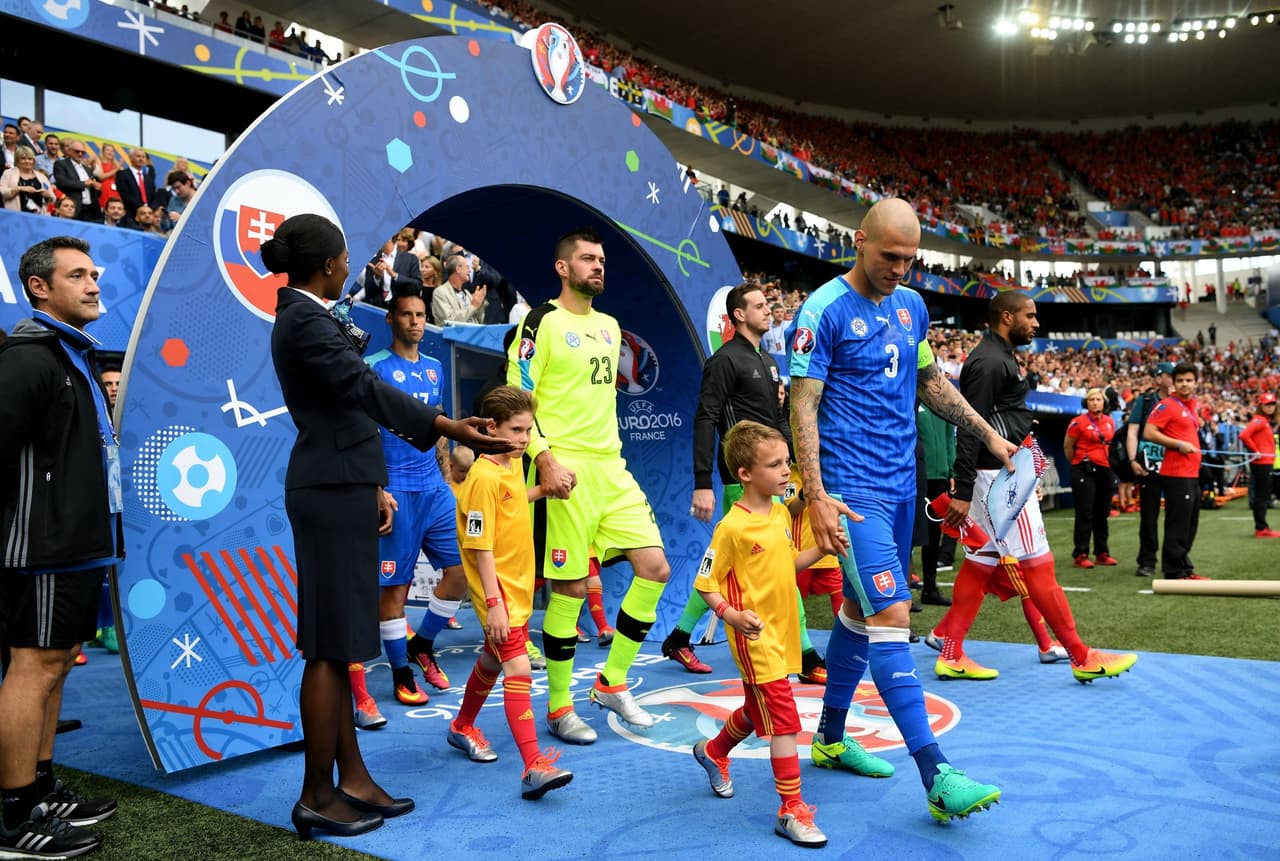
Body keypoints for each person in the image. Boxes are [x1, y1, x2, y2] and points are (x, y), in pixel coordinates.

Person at [266, 214, 513, 840]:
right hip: (328, 489)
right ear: (328, 265)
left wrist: (374, 480)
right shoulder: (303, 319)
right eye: (346, 257)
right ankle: (317, 796)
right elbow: (363, 389)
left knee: (343, 643)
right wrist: (450, 427)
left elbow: (351, 404)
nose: (351, 266)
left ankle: (351, 778)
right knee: (328, 650)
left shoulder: (310, 314)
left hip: (346, 484)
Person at [789, 198, 1007, 821]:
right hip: (851, 495)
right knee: (891, 610)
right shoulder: (823, 310)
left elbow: (930, 383)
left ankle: (830, 737)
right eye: (890, 257)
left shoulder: (911, 306)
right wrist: (817, 494)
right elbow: (803, 405)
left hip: (901, 488)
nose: (900, 270)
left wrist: (988, 436)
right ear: (859, 241)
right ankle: (936, 775)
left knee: (859, 612)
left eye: (910, 260)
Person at [507, 228, 671, 743]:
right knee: (571, 589)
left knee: (655, 567)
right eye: (586, 259)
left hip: (612, 468)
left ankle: (611, 682)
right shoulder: (541, 322)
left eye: (601, 260)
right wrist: (544, 458)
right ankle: (558, 708)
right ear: (562, 267)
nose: (598, 266)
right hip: (567, 467)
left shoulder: (610, 325)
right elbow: (517, 398)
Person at [929, 292, 1137, 683]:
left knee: (981, 562)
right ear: (1007, 316)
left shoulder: (995, 356)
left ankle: (952, 651)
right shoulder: (990, 361)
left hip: (995, 475)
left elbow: (986, 420)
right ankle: (1081, 655)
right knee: (1038, 564)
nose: (1037, 323)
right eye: (1031, 315)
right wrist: (964, 487)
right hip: (1001, 478)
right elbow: (970, 424)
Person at [0, 236, 120, 859]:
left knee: (57, 660)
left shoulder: (69, 353)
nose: (95, 283)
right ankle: (13, 816)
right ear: (40, 288)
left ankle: (40, 789)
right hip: (42, 544)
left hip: (75, 541)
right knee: (34, 665)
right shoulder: (29, 357)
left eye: (94, 273)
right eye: (78, 275)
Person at [689, 421, 850, 848]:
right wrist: (732, 615)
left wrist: (825, 548)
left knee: (756, 709)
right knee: (783, 719)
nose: (785, 472)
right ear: (745, 474)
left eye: (786, 463)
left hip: (782, 633)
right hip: (754, 637)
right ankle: (790, 809)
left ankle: (713, 751)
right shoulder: (731, 528)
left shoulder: (780, 511)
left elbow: (790, 563)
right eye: (775, 465)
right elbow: (705, 582)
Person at [664, 282, 824, 682]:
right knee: (757, 565)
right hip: (742, 478)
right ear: (738, 314)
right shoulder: (724, 360)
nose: (767, 310)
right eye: (757, 305)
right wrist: (704, 481)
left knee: (764, 562)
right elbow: (705, 418)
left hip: (772, 475)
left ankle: (680, 637)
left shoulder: (767, 360)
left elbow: (775, 423)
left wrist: (797, 464)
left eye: (767, 303)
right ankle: (805, 657)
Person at [446, 385, 573, 799]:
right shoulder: (482, 476)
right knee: (517, 670)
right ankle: (533, 766)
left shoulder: (511, 464)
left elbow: (514, 501)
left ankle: (462, 726)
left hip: (514, 591)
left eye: (527, 430)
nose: (523, 439)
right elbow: (479, 544)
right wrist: (494, 604)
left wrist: (546, 490)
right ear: (492, 428)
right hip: (497, 593)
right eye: (516, 430)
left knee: (491, 659)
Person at [357, 289, 471, 721]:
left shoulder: (435, 367)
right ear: (391, 320)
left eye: (421, 315)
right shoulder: (373, 368)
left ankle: (421, 645)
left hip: (434, 488)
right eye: (406, 315)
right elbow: (363, 432)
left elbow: (437, 423)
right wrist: (376, 487)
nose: (415, 322)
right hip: (395, 491)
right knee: (396, 590)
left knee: (460, 575)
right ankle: (401, 673)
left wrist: (444, 476)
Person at [1143, 363, 1209, 580]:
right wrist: (1178, 445)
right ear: (1173, 382)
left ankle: (1184, 567)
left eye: (1189, 380)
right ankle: (1174, 571)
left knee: (1190, 524)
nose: (1184, 384)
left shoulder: (1192, 405)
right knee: (1178, 524)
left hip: (1191, 473)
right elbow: (1149, 433)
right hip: (1176, 474)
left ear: (1195, 382)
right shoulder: (1167, 405)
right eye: (1180, 380)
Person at [1126, 362, 1174, 577]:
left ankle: (1174, 561)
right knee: (1148, 516)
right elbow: (1132, 432)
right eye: (1170, 375)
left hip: (1175, 466)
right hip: (1149, 465)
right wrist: (1132, 459)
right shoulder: (1145, 400)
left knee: (1177, 516)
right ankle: (1147, 561)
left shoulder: (1182, 402)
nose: (1174, 379)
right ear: (1159, 378)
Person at [1064, 388, 1119, 568]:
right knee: (1085, 513)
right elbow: (1068, 447)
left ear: (1104, 403)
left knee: (1102, 514)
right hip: (1083, 470)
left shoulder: (1110, 422)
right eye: (1091, 400)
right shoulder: (1077, 422)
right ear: (1086, 403)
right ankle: (1080, 554)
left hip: (1105, 469)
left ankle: (1102, 553)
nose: (1095, 402)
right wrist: (1078, 464)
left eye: (1098, 399)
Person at [916, 396, 954, 606]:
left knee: (933, 536)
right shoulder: (912, 402)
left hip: (939, 479)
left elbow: (950, 439)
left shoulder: (943, 406)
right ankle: (902, 590)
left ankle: (930, 589)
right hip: (917, 477)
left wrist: (951, 469)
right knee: (910, 537)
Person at [1240, 392, 1280, 538]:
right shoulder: (1260, 420)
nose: (1270, 407)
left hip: (1265, 462)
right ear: (1261, 405)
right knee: (1262, 496)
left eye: (1272, 404)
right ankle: (1261, 528)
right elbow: (1244, 435)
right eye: (1267, 404)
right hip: (1262, 463)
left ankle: (1262, 527)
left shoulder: (1264, 421)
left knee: (1263, 495)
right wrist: (1255, 450)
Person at [432, 254, 487, 324]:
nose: (470, 270)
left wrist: (480, 304)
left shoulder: (467, 293)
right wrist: (473, 306)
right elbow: (449, 321)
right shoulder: (440, 292)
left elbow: (479, 321)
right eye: (467, 267)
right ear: (458, 269)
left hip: (473, 333)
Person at [1, 146, 56, 214]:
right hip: (14, 215)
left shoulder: (42, 177)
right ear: (17, 160)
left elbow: (53, 198)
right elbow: (2, 192)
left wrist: (47, 195)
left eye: (30, 159)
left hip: (38, 216)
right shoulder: (8, 173)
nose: (27, 161)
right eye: (23, 158)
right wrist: (20, 189)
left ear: (33, 161)